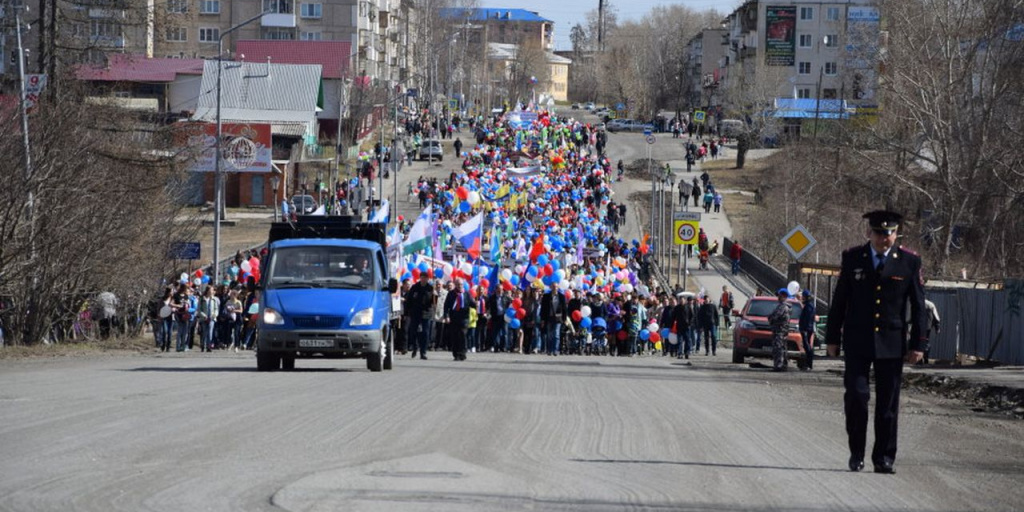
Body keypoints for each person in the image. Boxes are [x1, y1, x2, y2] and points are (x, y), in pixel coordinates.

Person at [826, 210, 928, 474]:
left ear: (897, 234)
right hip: (858, 340)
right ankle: (856, 454)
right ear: (869, 233)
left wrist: (919, 344)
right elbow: (840, 301)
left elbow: (918, 307)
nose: (885, 238)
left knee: (888, 405)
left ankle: (883, 458)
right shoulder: (852, 258)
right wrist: (832, 338)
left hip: (892, 343)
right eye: (880, 233)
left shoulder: (909, 262)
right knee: (857, 398)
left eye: (890, 232)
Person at [443, 278, 476, 361]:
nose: (460, 286)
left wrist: (476, 303)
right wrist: (446, 316)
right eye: (458, 284)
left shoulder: (466, 294)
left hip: (464, 318)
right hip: (454, 317)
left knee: (463, 335)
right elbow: (446, 306)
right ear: (455, 285)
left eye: (461, 284)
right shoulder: (451, 294)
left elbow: (472, 304)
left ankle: (463, 353)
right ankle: (456, 354)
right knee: (455, 336)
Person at [405, 272, 435, 360]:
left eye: (425, 278)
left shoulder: (430, 288)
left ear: (428, 279)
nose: (423, 279)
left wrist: (435, 296)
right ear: (420, 278)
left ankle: (423, 352)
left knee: (425, 333)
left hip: (426, 313)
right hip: (415, 313)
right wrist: (407, 313)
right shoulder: (415, 287)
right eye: (422, 277)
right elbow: (409, 300)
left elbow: (433, 302)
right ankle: (415, 348)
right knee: (414, 332)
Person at [768, 288, 792, 371]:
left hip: (780, 330)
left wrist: (770, 318)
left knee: (778, 348)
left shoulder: (783, 307)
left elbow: (774, 317)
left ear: (784, 296)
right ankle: (783, 365)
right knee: (782, 348)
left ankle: (779, 365)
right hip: (782, 330)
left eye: (779, 296)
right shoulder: (784, 306)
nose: (778, 297)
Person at [541, 288, 567, 356]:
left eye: (555, 287)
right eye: (553, 287)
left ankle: (555, 350)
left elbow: (564, 308)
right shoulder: (546, 296)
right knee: (549, 335)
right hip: (549, 318)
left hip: (558, 318)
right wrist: (543, 319)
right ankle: (549, 350)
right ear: (551, 287)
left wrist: (564, 319)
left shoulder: (561, 296)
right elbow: (543, 308)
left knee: (556, 334)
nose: (554, 288)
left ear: (557, 288)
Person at [799, 290, 816, 370]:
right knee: (807, 346)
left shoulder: (809, 306)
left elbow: (807, 318)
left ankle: (809, 364)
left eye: (803, 296)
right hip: (807, 328)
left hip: (806, 329)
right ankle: (808, 363)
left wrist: (804, 328)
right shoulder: (809, 305)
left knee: (807, 346)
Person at [921, 299, 941, 365]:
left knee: (919, 342)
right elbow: (936, 317)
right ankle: (925, 358)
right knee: (926, 342)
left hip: (918, 327)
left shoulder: (916, 302)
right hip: (927, 327)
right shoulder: (930, 304)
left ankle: (920, 359)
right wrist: (937, 328)